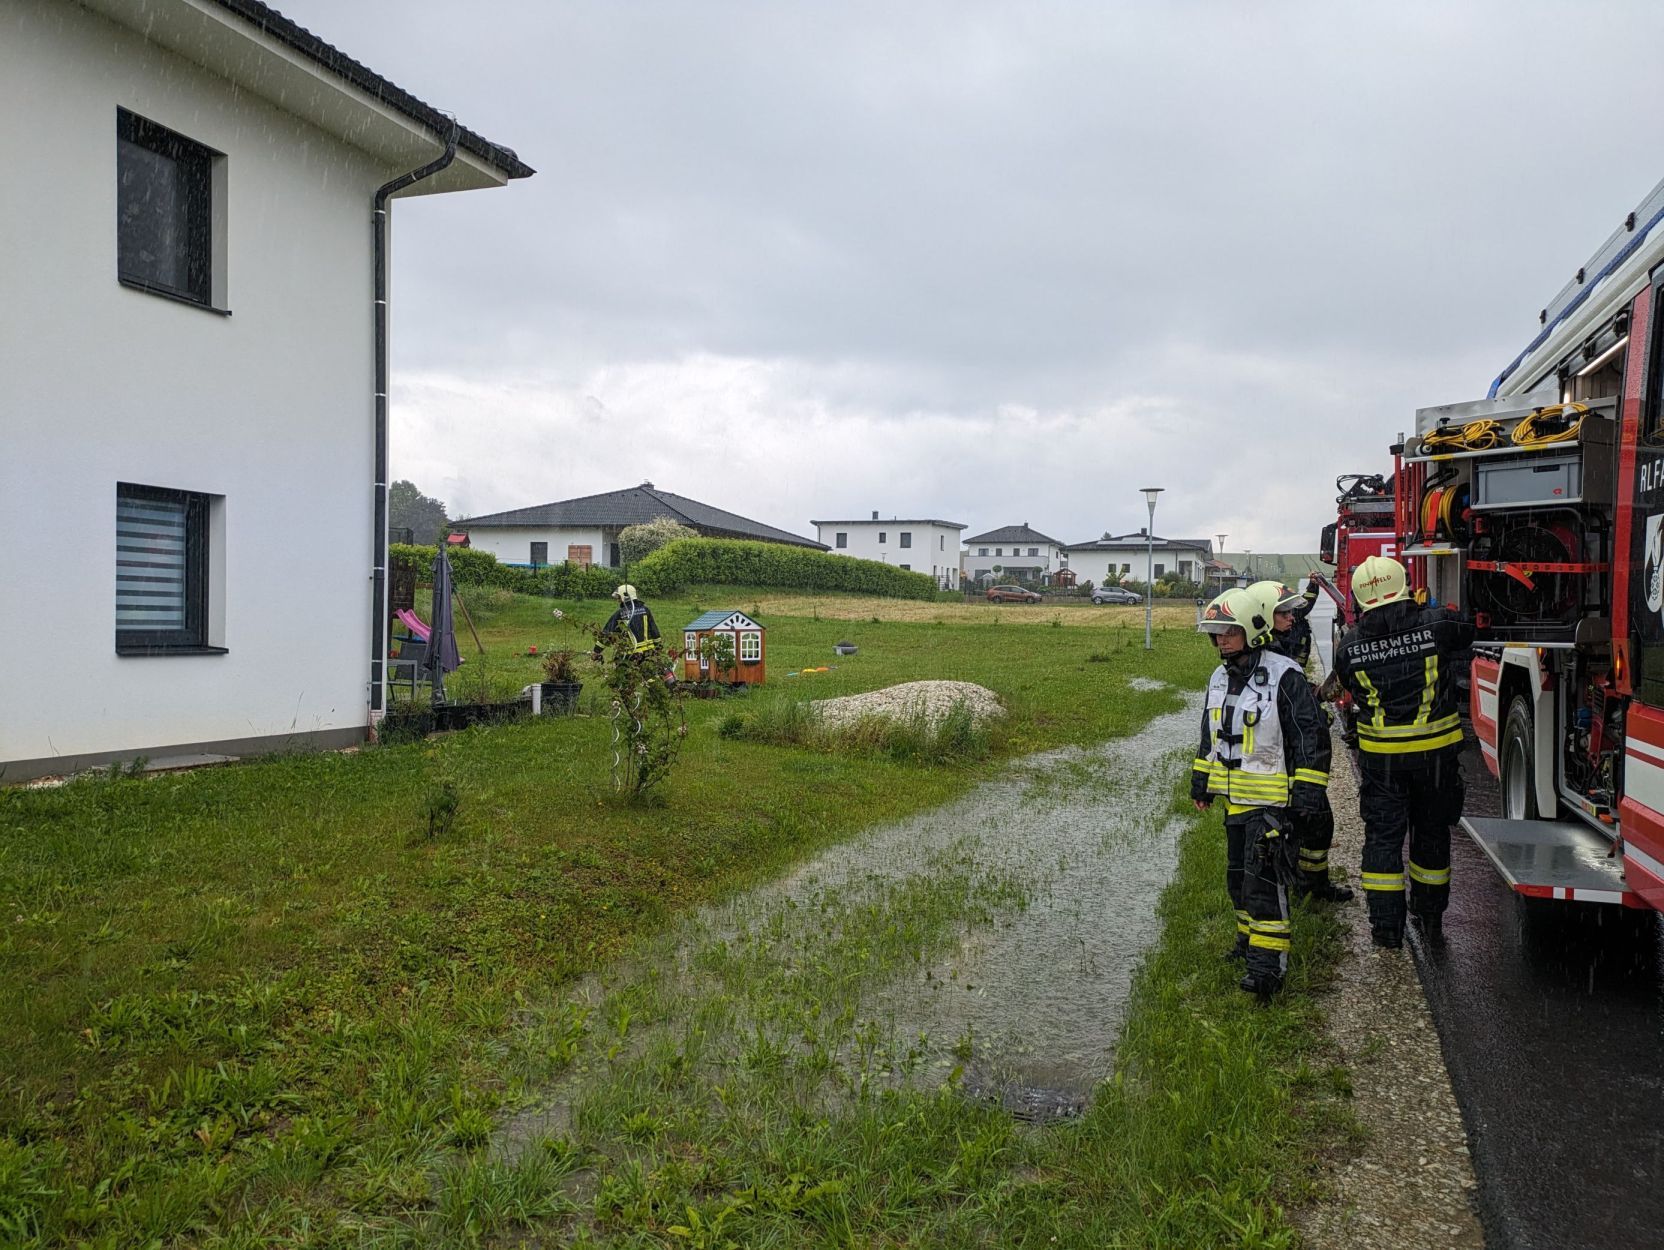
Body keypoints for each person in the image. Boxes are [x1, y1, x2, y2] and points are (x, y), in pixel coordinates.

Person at [1191, 584, 1333, 999]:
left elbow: (1309, 739)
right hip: (1235, 804)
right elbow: (1210, 736)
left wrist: (1306, 795)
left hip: (1271, 806)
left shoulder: (1284, 675)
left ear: (1252, 630)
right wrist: (1201, 782)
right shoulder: (1219, 676)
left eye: (1228, 632)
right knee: (1237, 881)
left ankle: (1267, 972)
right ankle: (1245, 945)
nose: (1220, 640)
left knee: (1264, 885)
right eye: (1216, 633)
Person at [1332, 555, 1475, 948]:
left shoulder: (1349, 648)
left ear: (1361, 598)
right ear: (1406, 587)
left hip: (1382, 765)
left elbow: (1351, 686)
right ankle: (1429, 918)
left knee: (1382, 840)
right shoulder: (1437, 627)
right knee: (1430, 835)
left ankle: (1386, 930)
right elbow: (1471, 626)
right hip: (1435, 762)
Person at [1249, 579, 1353, 904]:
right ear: (1265, 617)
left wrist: (1314, 695)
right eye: (1283, 613)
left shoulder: (1271, 650)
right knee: (1304, 823)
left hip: (1284, 758)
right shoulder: (1264, 659)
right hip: (1282, 762)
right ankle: (1294, 886)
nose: (1291, 618)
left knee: (1316, 824)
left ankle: (1308, 884)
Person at [595, 583, 661, 658]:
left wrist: (596, 651)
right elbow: (655, 632)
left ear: (625, 596)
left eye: (619, 598)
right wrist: (659, 649)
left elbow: (606, 634)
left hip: (629, 656)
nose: (618, 600)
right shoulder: (645, 610)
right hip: (648, 654)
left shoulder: (620, 613)